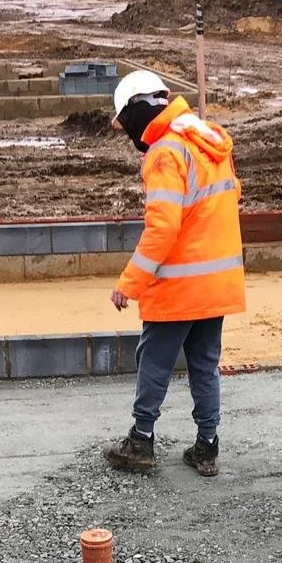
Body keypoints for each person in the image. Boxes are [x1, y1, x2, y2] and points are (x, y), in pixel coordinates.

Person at [103, 69, 245, 479]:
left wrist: (129, 283)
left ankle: (141, 441)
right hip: (216, 284)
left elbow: (162, 229)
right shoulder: (208, 139)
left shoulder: (165, 152)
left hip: (179, 286)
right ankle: (207, 447)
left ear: (136, 111)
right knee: (205, 364)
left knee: (154, 362)